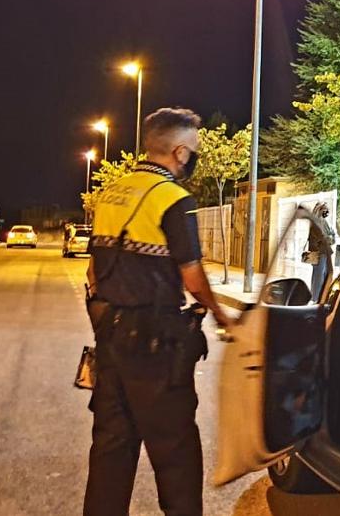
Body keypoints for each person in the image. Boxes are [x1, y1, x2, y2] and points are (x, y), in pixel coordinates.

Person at [84, 107, 232, 516]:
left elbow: (93, 270)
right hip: (157, 346)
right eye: (195, 150)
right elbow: (193, 279)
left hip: (111, 338)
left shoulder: (112, 192)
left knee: (112, 448)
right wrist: (222, 317)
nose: (195, 157)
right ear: (180, 152)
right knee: (177, 452)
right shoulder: (175, 199)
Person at [300, 201, 336, 301]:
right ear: (320, 210)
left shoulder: (322, 221)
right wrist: (330, 237)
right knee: (319, 276)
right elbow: (324, 238)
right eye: (325, 209)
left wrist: (331, 237)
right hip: (319, 252)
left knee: (321, 275)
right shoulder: (316, 222)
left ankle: (319, 296)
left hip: (324, 252)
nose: (327, 211)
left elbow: (330, 236)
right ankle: (316, 298)